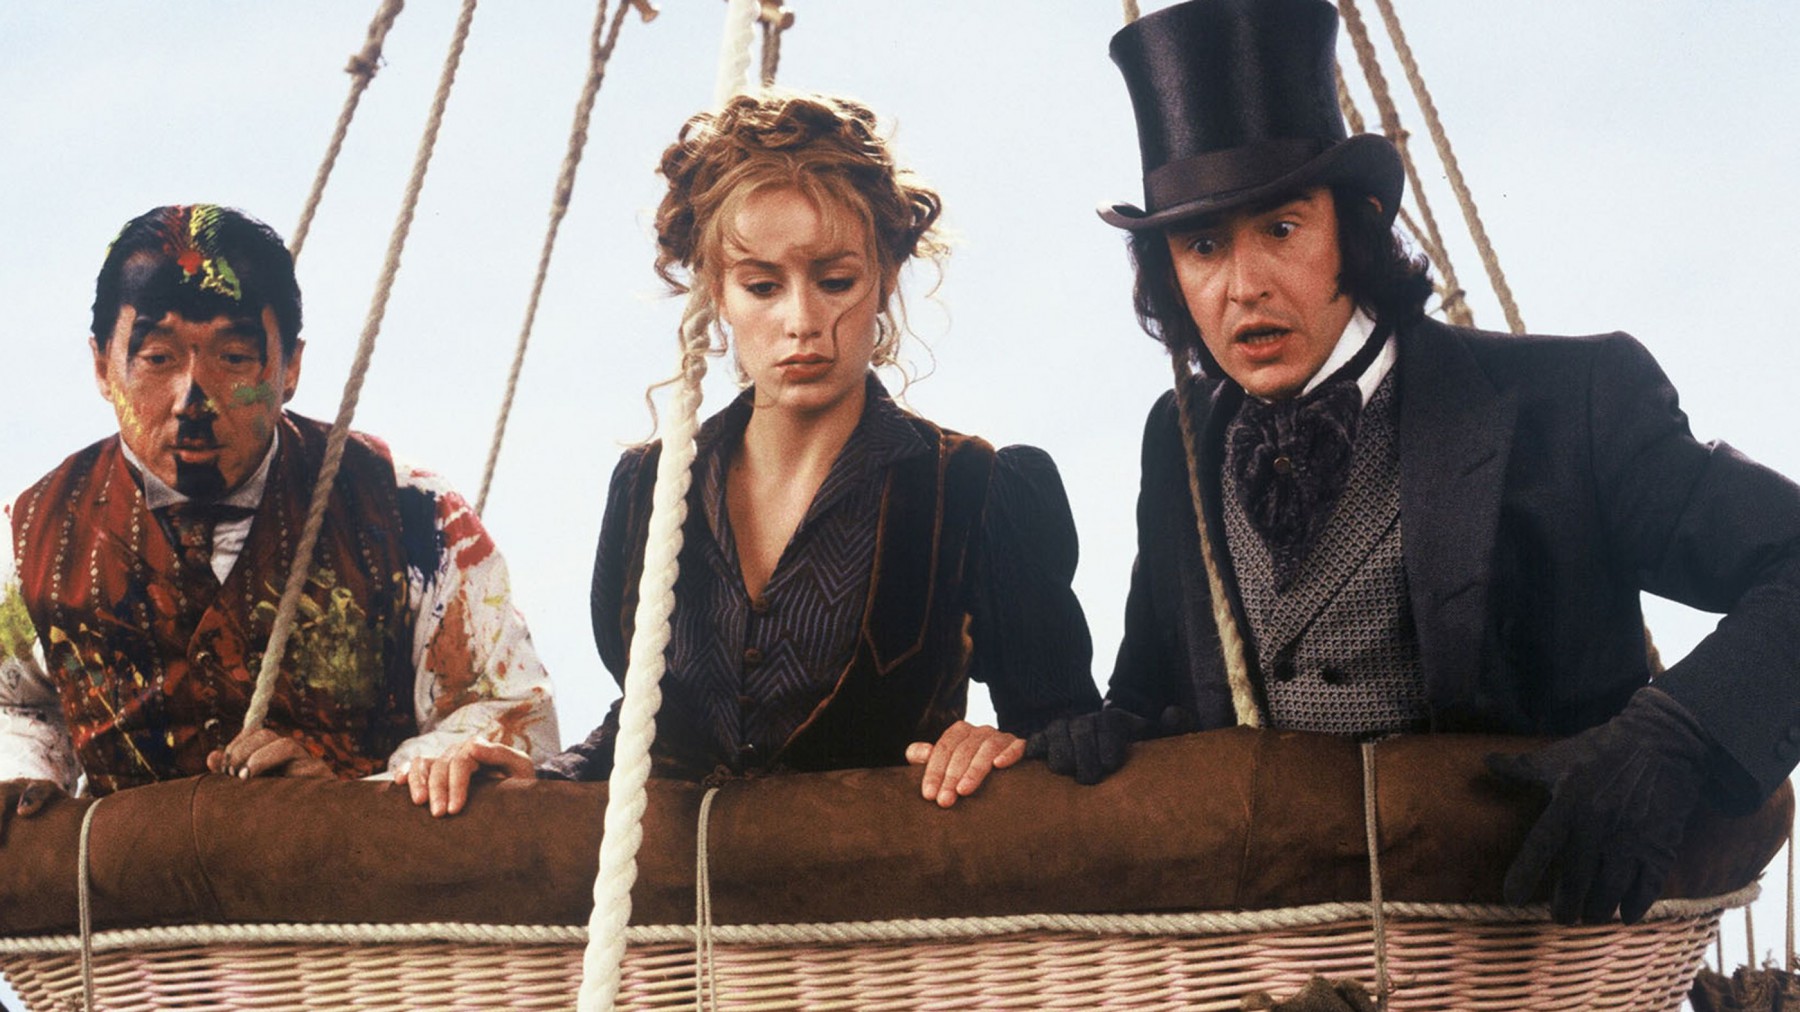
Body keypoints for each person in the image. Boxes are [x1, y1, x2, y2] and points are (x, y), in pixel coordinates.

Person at [1030, 0, 1800, 927]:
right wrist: (1078, 738)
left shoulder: (1575, 400)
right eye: (1202, 245)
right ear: (1169, 270)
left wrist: (1676, 737)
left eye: (1280, 229)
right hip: (1270, 966)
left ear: (1355, 227)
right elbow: (1157, 701)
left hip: (1530, 949)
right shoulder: (1178, 437)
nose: (1244, 285)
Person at [400, 91, 1100, 816]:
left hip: (892, 881)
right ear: (717, 292)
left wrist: (1000, 745)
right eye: (762, 286)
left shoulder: (978, 487)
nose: (802, 321)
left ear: (886, 277)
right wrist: (530, 776)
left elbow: (1067, 733)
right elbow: (643, 725)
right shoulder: (649, 488)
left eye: (836, 282)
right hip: (679, 887)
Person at [0, 204, 560, 829]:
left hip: (356, 881)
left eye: (234, 358)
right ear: (103, 366)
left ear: (289, 366)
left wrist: (359, 792)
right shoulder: (30, 534)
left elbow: (508, 711)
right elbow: (15, 707)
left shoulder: (412, 512)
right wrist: (22, 775)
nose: (192, 399)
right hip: (122, 889)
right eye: (157, 358)